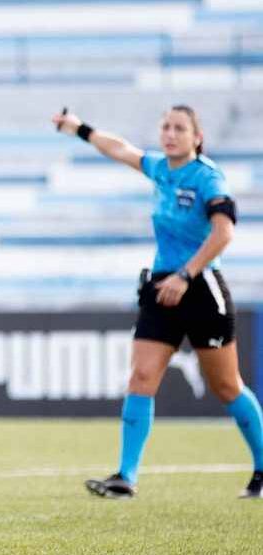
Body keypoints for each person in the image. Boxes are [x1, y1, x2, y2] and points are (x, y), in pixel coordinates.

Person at [53, 106, 263, 500]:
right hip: (161, 288)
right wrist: (78, 127)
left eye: (179, 128)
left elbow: (224, 232)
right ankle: (125, 478)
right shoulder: (160, 169)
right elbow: (120, 149)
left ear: (197, 137)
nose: (170, 133)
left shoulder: (207, 177)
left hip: (201, 289)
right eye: (165, 126)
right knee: (142, 378)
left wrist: (186, 275)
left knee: (226, 385)